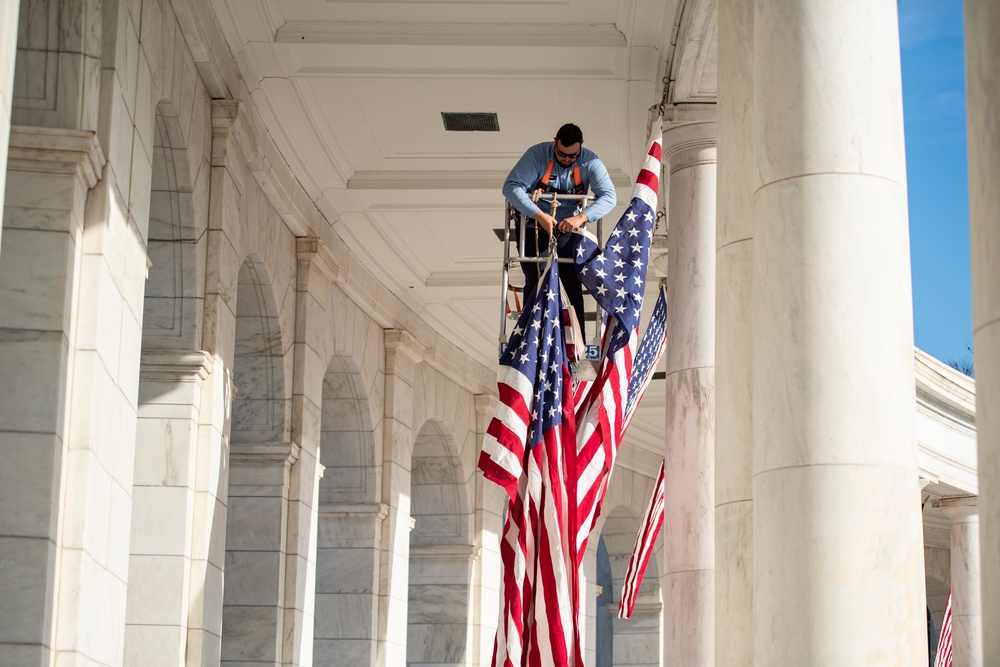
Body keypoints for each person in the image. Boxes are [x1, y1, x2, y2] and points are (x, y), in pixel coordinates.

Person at [502, 123, 617, 337]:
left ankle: (575, 336)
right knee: (536, 274)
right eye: (561, 154)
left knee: (570, 277)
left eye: (572, 156)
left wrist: (580, 218)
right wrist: (541, 216)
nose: (566, 160)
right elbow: (511, 187)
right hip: (534, 224)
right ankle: (531, 334)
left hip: (568, 225)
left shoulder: (591, 162)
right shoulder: (537, 154)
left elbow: (610, 197)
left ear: (580, 148)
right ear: (554, 143)